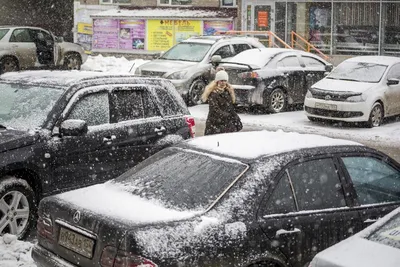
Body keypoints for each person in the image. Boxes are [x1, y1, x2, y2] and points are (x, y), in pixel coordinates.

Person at [201, 70, 242, 135]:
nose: (223, 82)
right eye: (221, 81)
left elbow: (230, 107)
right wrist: (227, 116)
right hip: (215, 123)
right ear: (217, 81)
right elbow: (214, 109)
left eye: (225, 81)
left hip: (226, 123)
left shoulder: (228, 91)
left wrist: (235, 117)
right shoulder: (213, 93)